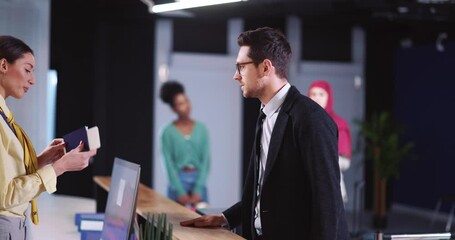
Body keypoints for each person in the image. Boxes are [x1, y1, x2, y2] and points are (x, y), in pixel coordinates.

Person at [180, 27, 349, 239]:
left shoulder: (311, 119)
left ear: (265, 67)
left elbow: (328, 205)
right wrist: (226, 218)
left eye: (241, 66)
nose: (235, 76)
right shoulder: (265, 114)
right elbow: (263, 194)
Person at [0, 35, 97, 239]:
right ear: (3, 65)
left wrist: (44, 159)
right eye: (27, 69)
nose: (32, 79)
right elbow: (6, 196)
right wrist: (60, 167)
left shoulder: (4, 115)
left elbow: (8, 179)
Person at [159, 81, 210, 209]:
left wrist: (198, 189)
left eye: (186, 101)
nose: (186, 106)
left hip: (198, 180)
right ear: (173, 108)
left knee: (203, 222)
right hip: (177, 181)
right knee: (175, 224)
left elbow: (206, 161)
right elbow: (167, 163)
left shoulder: (202, 129)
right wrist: (179, 191)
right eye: (180, 104)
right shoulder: (167, 132)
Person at [308, 80, 352, 204]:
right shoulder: (301, 120)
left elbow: (345, 162)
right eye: (313, 94)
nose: (316, 98)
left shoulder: (339, 124)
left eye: (321, 94)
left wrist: (318, 158)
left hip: (329, 188)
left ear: (329, 97)